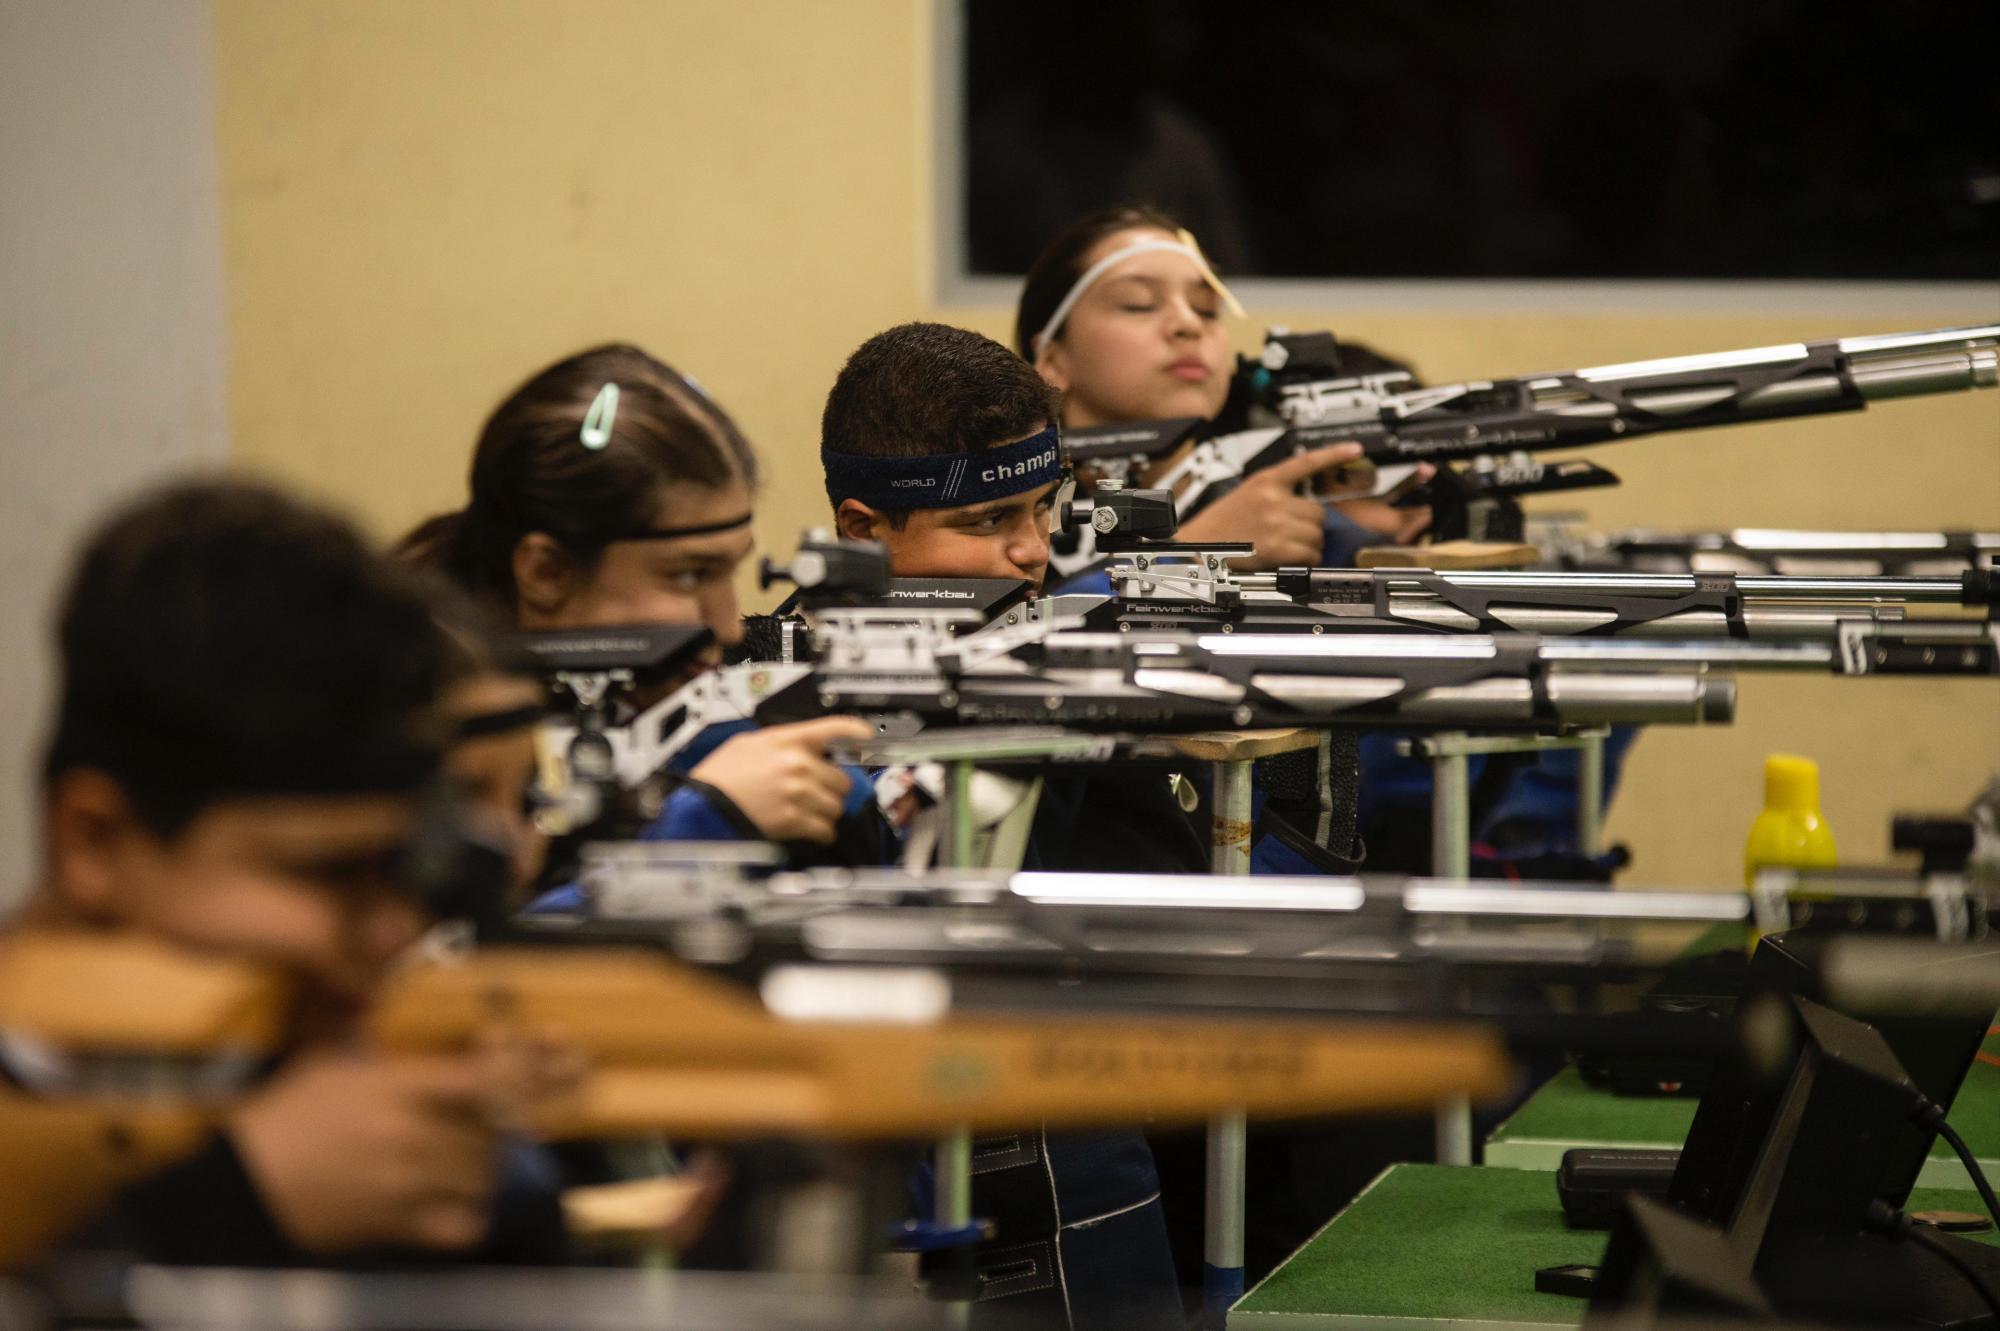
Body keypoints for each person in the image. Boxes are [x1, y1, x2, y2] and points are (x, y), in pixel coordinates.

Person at [13, 480, 578, 1267]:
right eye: (328, 872)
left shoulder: (359, 1104)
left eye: (402, 865)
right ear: (93, 843)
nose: (394, 931)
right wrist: (235, 1203)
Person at [821, 321, 1194, 1330]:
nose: (1033, 549)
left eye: (1043, 507)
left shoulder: (1054, 654)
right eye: (988, 520)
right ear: (863, 530)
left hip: (1077, 1165)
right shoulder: (791, 700)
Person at [402, 343, 878, 862]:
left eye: (730, 571)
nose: (728, 627)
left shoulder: (715, 745)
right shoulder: (403, 740)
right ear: (546, 573)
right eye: (689, 575)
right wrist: (701, 822)